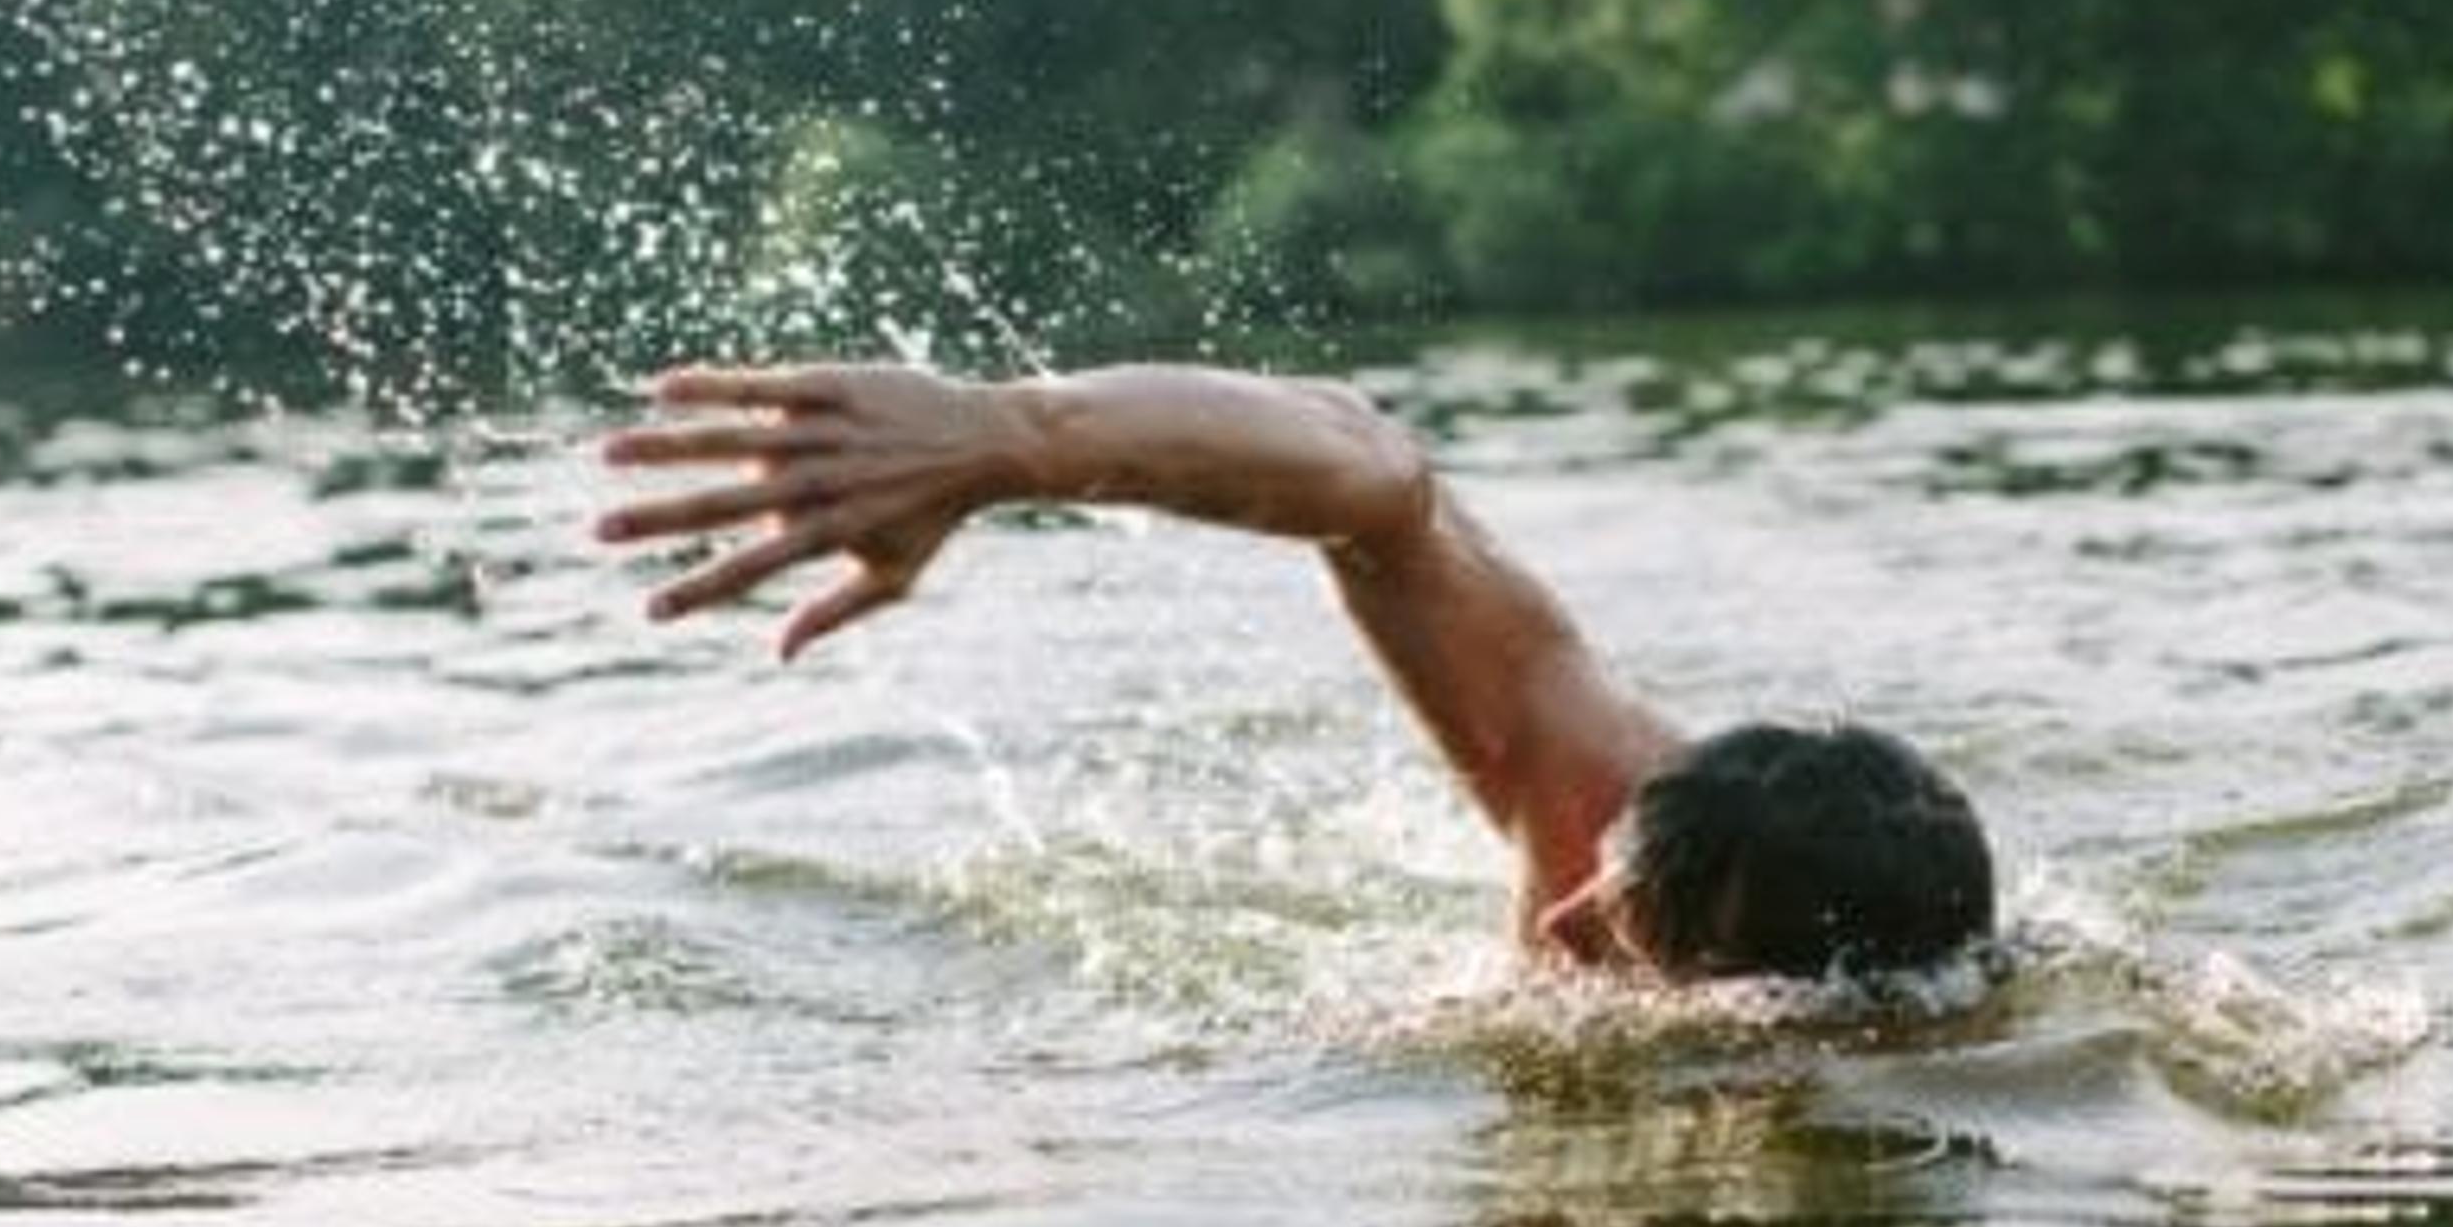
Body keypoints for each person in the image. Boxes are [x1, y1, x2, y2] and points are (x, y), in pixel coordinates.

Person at [594, 362, 1992, 981]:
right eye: (1600, 882)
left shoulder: (1902, 1049)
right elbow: (1376, 478)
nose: (1557, 923)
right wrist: (1011, 437)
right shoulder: (1594, 793)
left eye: (1627, 938)